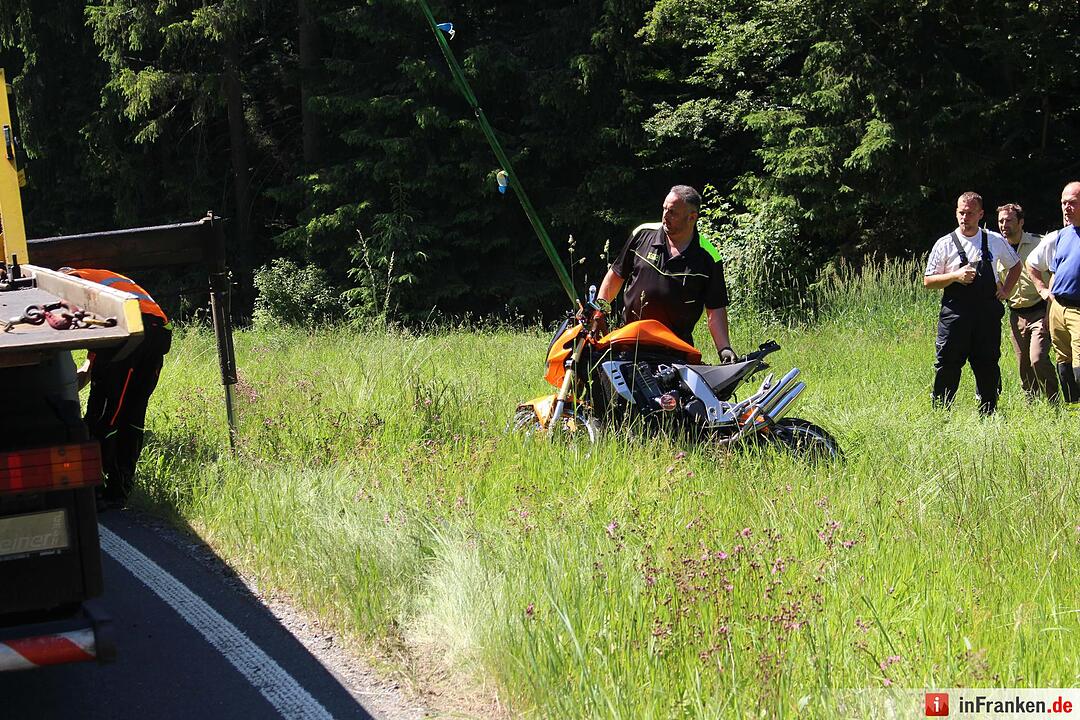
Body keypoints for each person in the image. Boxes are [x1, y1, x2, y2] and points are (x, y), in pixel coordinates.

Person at [64, 268, 172, 508]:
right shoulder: (106, 280)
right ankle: (121, 489)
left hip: (126, 333)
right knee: (132, 416)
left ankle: (97, 490)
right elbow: (94, 355)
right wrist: (84, 373)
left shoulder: (68, 280)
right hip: (157, 334)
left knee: (103, 415)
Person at [597, 185, 736, 362]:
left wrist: (724, 348)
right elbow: (616, 275)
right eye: (664, 209)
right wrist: (599, 310)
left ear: (692, 217)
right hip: (629, 342)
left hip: (675, 351)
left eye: (673, 213)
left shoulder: (708, 257)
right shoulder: (643, 234)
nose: (665, 216)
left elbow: (715, 309)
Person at [923, 191, 1021, 414]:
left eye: (969, 213)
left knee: (987, 364)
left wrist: (1006, 290)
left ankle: (989, 413)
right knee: (947, 364)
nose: (964, 217)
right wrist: (955, 276)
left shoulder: (994, 240)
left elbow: (1016, 266)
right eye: (960, 212)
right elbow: (928, 281)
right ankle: (941, 413)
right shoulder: (944, 244)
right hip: (955, 316)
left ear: (980, 214)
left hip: (986, 316)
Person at [997, 203, 1057, 400]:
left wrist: (1051, 311)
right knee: (1023, 363)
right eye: (1001, 221)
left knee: (1037, 358)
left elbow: (1055, 275)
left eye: (1009, 220)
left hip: (1041, 311)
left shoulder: (1040, 244)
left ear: (1021, 222)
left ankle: (1054, 400)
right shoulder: (996, 248)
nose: (1004, 225)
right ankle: (1031, 404)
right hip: (1016, 314)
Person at [1027, 181, 1080, 402]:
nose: (1066, 208)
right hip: (1058, 307)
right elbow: (1036, 266)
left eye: (1072, 203)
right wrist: (1043, 294)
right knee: (1064, 362)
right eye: (1063, 203)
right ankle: (1072, 410)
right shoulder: (1061, 236)